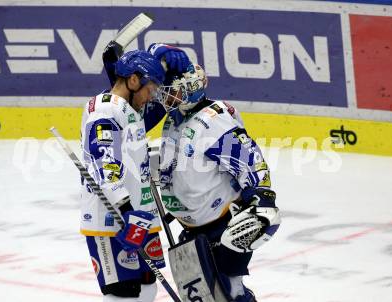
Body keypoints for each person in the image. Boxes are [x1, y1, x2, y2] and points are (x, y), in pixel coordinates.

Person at [155, 60, 282, 301]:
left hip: (223, 226)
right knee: (208, 295)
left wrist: (261, 194)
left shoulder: (213, 119)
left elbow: (249, 159)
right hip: (192, 230)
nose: (166, 96)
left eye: (172, 90)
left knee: (230, 292)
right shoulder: (174, 119)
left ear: (191, 87)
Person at [79, 48, 189, 302]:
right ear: (133, 80)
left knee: (147, 287)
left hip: (138, 216)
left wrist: (164, 55)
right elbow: (104, 165)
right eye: (150, 89)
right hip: (113, 219)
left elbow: (160, 108)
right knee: (124, 295)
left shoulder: (129, 109)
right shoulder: (105, 111)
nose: (151, 97)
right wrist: (126, 210)